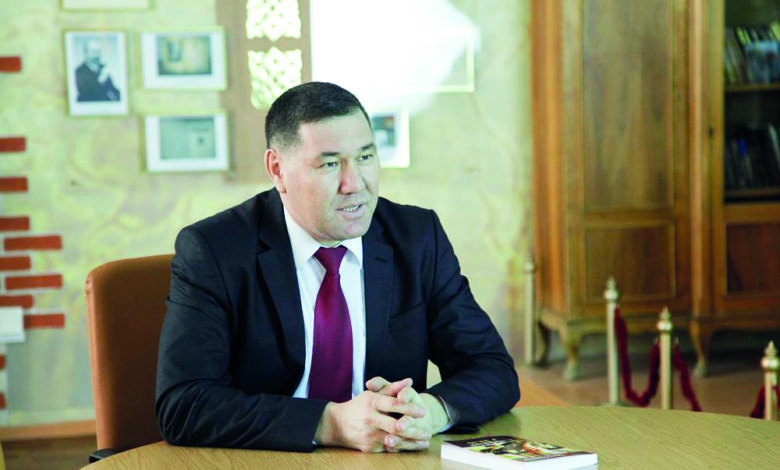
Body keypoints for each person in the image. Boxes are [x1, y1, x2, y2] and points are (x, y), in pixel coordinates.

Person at [155, 82, 519, 453]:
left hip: (386, 460)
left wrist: (429, 412)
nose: (354, 184)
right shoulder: (214, 250)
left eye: (365, 157)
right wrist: (330, 423)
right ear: (277, 170)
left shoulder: (417, 238)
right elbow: (184, 404)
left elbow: (491, 367)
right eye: (330, 164)